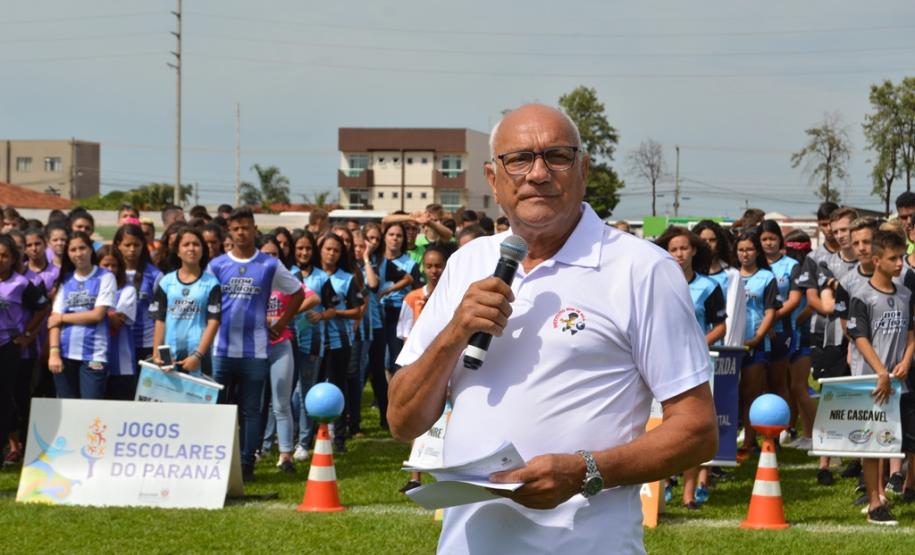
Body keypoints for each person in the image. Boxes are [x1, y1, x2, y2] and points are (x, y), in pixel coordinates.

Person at [387, 104, 717, 553]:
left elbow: (697, 430)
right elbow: (403, 421)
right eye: (519, 159)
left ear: (583, 170)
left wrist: (584, 471)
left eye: (556, 156)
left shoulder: (641, 269)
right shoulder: (468, 262)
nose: (538, 173)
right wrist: (453, 332)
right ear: (492, 178)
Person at [208, 207, 304, 482]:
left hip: (255, 351)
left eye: (246, 227)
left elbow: (297, 292)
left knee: (252, 411)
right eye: (236, 228)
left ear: (254, 229)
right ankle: (218, 460)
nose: (241, 232)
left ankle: (247, 463)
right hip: (221, 350)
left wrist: (283, 322)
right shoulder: (216, 265)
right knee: (221, 409)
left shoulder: (269, 264)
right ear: (230, 231)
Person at [846, 230, 915, 526]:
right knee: (873, 444)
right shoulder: (862, 296)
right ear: (877, 260)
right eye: (893, 258)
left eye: (901, 257)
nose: (900, 263)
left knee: (900, 439)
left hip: (900, 381)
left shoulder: (906, 294)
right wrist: (881, 371)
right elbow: (859, 336)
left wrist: (906, 361)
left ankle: (894, 490)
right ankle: (875, 502)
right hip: (872, 382)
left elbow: (912, 333)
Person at [656, 226, 726, 509]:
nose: (679, 254)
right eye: (673, 249)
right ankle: (662, 487)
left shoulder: (709, 287)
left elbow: (720, 326)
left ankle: (689, 494)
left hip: (697, 365)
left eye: (684, 248)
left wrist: (697, 344)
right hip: (660, 364)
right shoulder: (657, 284)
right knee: (660, 428)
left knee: (692, 427)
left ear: (694, 250)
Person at [259, 235, 318, 473]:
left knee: (281, 403)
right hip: (253, 347)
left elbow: (312, 296)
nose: (271, 258)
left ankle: (285, 455)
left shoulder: (287, 279)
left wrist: (284, 319)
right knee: (256, 404)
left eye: (275, 254)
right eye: (266, 254)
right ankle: (258, 448)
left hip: (282, 344)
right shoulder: (250, 278)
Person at [395, 244, 449, 494]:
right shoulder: (412, 298)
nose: (434, 270)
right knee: (420, 418)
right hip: (421, 365)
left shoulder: (454, 296)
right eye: (429, 266)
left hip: (449, 364)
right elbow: (404, 333)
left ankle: (447, 472)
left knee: (448, 421)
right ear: (422, 267)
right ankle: (415, 475)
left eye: (439, 265)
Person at [309, 232, 363, 452]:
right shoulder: (310, 275)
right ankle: (311, 436)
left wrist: (335, 314)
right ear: (319, 250)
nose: (331, 254)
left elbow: (358, 310)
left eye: (336, 250)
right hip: (311, 341)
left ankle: (339, 438)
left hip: (339, 341)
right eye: (327, 249)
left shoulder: (347, 278)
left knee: (339, 387)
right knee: (311, 386)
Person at [47, 232, 116, 399]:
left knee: (89, 411)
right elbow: (53, 321)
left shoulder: (106, 277)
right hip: (64, 354)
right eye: (73, 249)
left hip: (94, 355)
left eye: (82, 248)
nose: (78, 253)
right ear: (68, 253)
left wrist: (63, 318)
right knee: (67, 408)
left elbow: (97, 315)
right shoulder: (65, 279)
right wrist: (54, 353)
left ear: (91, 250)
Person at [0, 235, 48, 464]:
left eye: (4, 255)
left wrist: (27, 335)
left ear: (12, 259)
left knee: (5, 399)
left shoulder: (21, 283)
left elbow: (42, 307)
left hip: (8, 348)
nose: (0, 260)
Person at [733, 230, 780, 460]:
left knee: (751, 394)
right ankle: (727, 441)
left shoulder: (766, 277)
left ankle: (749, 443)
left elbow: (771, 311)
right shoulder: (729, 276)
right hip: (730, 346)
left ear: (757, 252)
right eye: (741, 250)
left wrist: (757, 338)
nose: (745, 254)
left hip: (756, 345)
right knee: (731, 394)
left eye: (749, 249)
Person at [151, 226, 222, 377]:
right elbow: (160, 320)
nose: (191, 248)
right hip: (169, 356)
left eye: (196, 244)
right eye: (186, 244)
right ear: (177, 251)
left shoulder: (212, 283)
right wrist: (158, 353)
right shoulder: (166, 282)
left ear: (203, 250)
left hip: (198, 357)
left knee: (196, 400)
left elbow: (213, 323)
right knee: (168, 398)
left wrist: (198, 355)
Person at [759, 220, 797, 406]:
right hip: (757, 332)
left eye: (772, 238)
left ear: (780, 240)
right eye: (764, 239)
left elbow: (794, 299)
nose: (768, 243)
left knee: (779, 381)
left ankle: (783, 427)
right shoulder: (753, 264)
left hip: (782, 329)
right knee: (759, 382)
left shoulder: (791, 265)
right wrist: (762, 326)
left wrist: (771, 319)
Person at [693, 220, 747, 348]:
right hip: (694, 344)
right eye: (703, 240)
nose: (708, 244)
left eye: (712, 240)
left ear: (719, 243)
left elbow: (736, 317)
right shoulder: (689, 274)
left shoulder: (732, 275)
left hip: (722, 345)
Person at [113, 224, 161, 366]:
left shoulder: (155, 275)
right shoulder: (110, 273)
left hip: (146, 341)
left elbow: (162, 313)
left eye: (136, 245)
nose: (132, 249)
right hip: (117, 339)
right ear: (118, 245)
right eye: (127, 245)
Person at [96, 246, 138, 400]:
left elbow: (116, 323)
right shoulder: (91, 290)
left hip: (121, 363)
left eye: (114, 265)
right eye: (105, 265)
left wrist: (95, 314)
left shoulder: (128, 291)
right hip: (93, 360)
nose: (110, 269)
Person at [378, 222, 420, 371]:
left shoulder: (411, 264)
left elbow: (416, 292)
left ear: (403, 239)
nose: (395, 238)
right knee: (375, 359)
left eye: (399, 235)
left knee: (395, 360)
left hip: (399, 314)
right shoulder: (376, 260)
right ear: (384, 237)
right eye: (391, 234)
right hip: (377, 312)